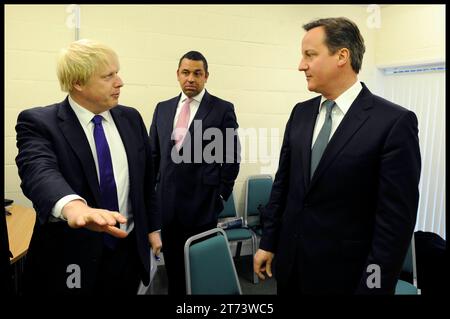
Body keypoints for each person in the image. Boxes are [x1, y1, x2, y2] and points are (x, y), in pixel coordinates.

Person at [253, 17, 421, 294]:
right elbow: (283, 187)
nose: (301, 65)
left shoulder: (392, 123)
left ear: (342, 55)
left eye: (310, 55)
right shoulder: (300, 114)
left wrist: (373, 287)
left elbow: (394, 223)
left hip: (346, 279)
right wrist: (268, 242)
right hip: (291, 268)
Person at [15, 39, 162, 295]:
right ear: (78, 83)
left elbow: (146, 183)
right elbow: (38, 170)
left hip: (127, 250)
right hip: (72, 259)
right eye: (108, 76)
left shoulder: (131, 118)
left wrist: (152, 229)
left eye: (117, 72)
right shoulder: (39, 123)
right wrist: (72, 206)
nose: (120, 82)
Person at [149, 51, 240, 295]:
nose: (191, 78)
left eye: (197, 73)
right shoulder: (163, 108)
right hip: (168, 205)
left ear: (206, 77)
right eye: (186, 72)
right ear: (178, 75)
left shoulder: (222, 109)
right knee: (175, 270)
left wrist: (220, 197)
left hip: (203, 205)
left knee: (200, 270)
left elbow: (231, 157)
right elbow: (154, 156)